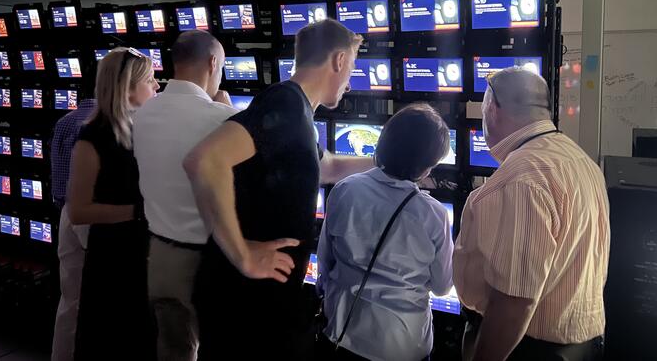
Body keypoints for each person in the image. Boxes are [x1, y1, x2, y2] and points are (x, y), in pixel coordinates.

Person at [184, 18, 375, 360]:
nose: (349, 81)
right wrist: (241, 253)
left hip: (258, 300)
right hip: (246, 304)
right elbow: (204, 160)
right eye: (353, 67)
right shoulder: (285, 105)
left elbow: (326, 166)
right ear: (340, 60)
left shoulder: (298, 112)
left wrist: (387, 162)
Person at [453, 68, 609, 361]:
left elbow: (515, 301)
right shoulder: (579, 160)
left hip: (525, 348)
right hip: (581, 345)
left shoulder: (521, 178)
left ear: (492, 108)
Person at [316, 103, 454, 361]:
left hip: (341, 335)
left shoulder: (345, 190)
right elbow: (443, 286)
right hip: (403, 345)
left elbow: (326, 262)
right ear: (426, 168)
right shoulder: (433, 214)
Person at [134, 31, 236, 361]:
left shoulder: (143, 114)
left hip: (159, 256)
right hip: (205, 263)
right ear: (213, 63)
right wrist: (230, 112)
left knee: (174, 350)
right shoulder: (221, 118)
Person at [68, 47, 159, 361]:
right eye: (150, 80)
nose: (157, 86)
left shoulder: (141, 132)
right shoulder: (92, 138)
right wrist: (139, 212)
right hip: (113, 259)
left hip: (142, 253)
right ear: (128, 88)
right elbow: (78, 210)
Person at [50, 97, 96, 361]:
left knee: (70, 299)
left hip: (68, 212)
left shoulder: (65, 121)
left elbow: (57, 172)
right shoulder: (107, 124)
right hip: (93, 213)